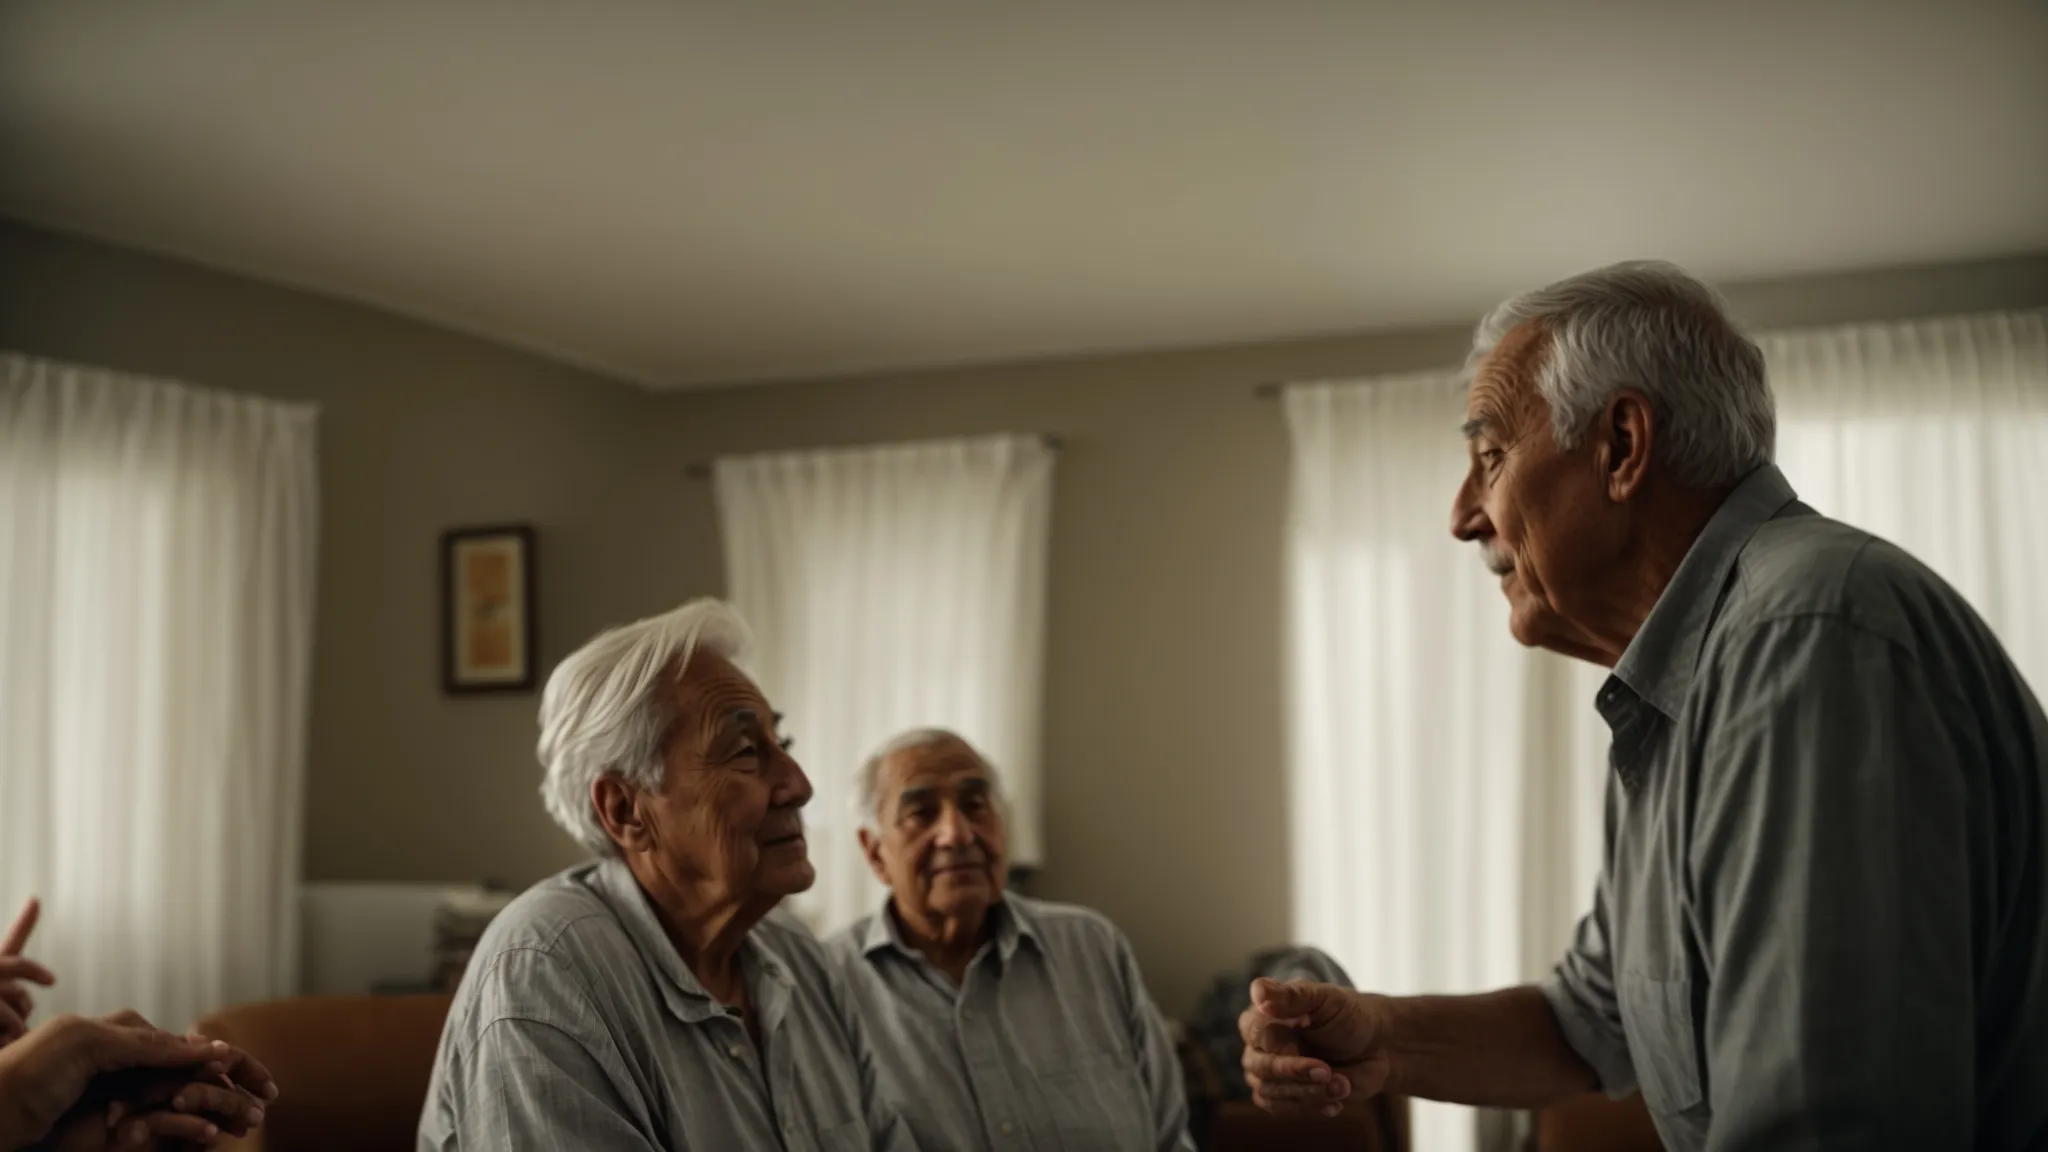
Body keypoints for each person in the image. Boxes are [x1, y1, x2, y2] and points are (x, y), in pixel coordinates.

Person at [1241, 261, 2048, 1149]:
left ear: (1622, 445)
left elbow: (1825, 1127)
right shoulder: (1681, 683)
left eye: (1489, 457)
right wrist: (1379, 1038)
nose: (1464, 516)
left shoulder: (1801, 638)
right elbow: (1595, 1020)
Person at [417, 599, 915, 1151]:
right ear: (627, 810)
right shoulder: (545, 972)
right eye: (747, 753)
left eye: (784, 746)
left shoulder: (800, 958)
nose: (798, 784)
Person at [828, 728, 1194, 1152]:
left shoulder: (1091, 947)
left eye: (975, 805)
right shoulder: (828, 987)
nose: (957, 833)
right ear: (875, 853)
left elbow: (1170, 1138)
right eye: (922, 813)